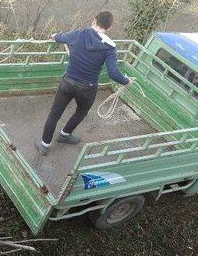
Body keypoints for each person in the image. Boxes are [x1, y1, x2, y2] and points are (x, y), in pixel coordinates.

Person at [36, 10, 132, 156]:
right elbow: (113, 73)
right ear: (109, 27)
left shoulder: (78, 34)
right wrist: (126, 81)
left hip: (67, 82)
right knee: (81, 112)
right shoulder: (110, 47)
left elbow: (60, 37)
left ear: (94, 21)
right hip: (87, 88)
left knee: (54, 114)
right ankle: (65, 134)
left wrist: (54, 36)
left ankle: (44, 145)